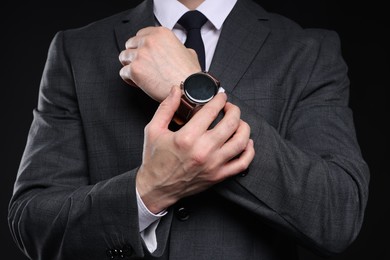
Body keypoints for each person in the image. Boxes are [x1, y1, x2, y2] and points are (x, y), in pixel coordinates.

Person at [8, 0, 370, 259]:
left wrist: (190, 85)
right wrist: (147, 191)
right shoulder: (77, 49)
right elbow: (33, 222)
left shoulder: (308, 49)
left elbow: (337, 214)